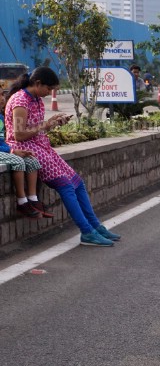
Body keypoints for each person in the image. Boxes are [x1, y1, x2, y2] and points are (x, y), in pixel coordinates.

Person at [4, 67, 118, 246]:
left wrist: (52, 123)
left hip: (41, 145)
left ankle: (95, 225)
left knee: (77, 182)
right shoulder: (20, 100)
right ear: (38, 83)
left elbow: (38, 126)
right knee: (65, 185)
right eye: (48, 89)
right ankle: (86, 231)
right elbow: (18, 135)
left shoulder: (36, 99)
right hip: (25, 147)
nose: (49, 93)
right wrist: (44, 125)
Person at [0, 89, 52, 219]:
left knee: (32, 160)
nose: (2, 98)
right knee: (18, 161)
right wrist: (12, 151)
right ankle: (22, 202)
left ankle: (33, 199)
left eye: (2, 94)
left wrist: (11, 149)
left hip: (4, 150)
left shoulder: (0, 117)